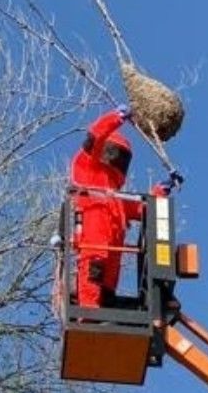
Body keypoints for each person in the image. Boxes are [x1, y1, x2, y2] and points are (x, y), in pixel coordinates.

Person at [68, 105, 178, 308]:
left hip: (112, 248)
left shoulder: (117, 198)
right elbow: (95, 137)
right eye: (114, 153)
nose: (117, 159)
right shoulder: (90, 173)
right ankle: (89, 310)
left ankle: (102, 306)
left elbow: (141, 208)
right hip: (94, 238)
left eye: (121, 156)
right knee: (94, 267)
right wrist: (116, 118)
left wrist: (161, 190)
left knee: (107, 277)